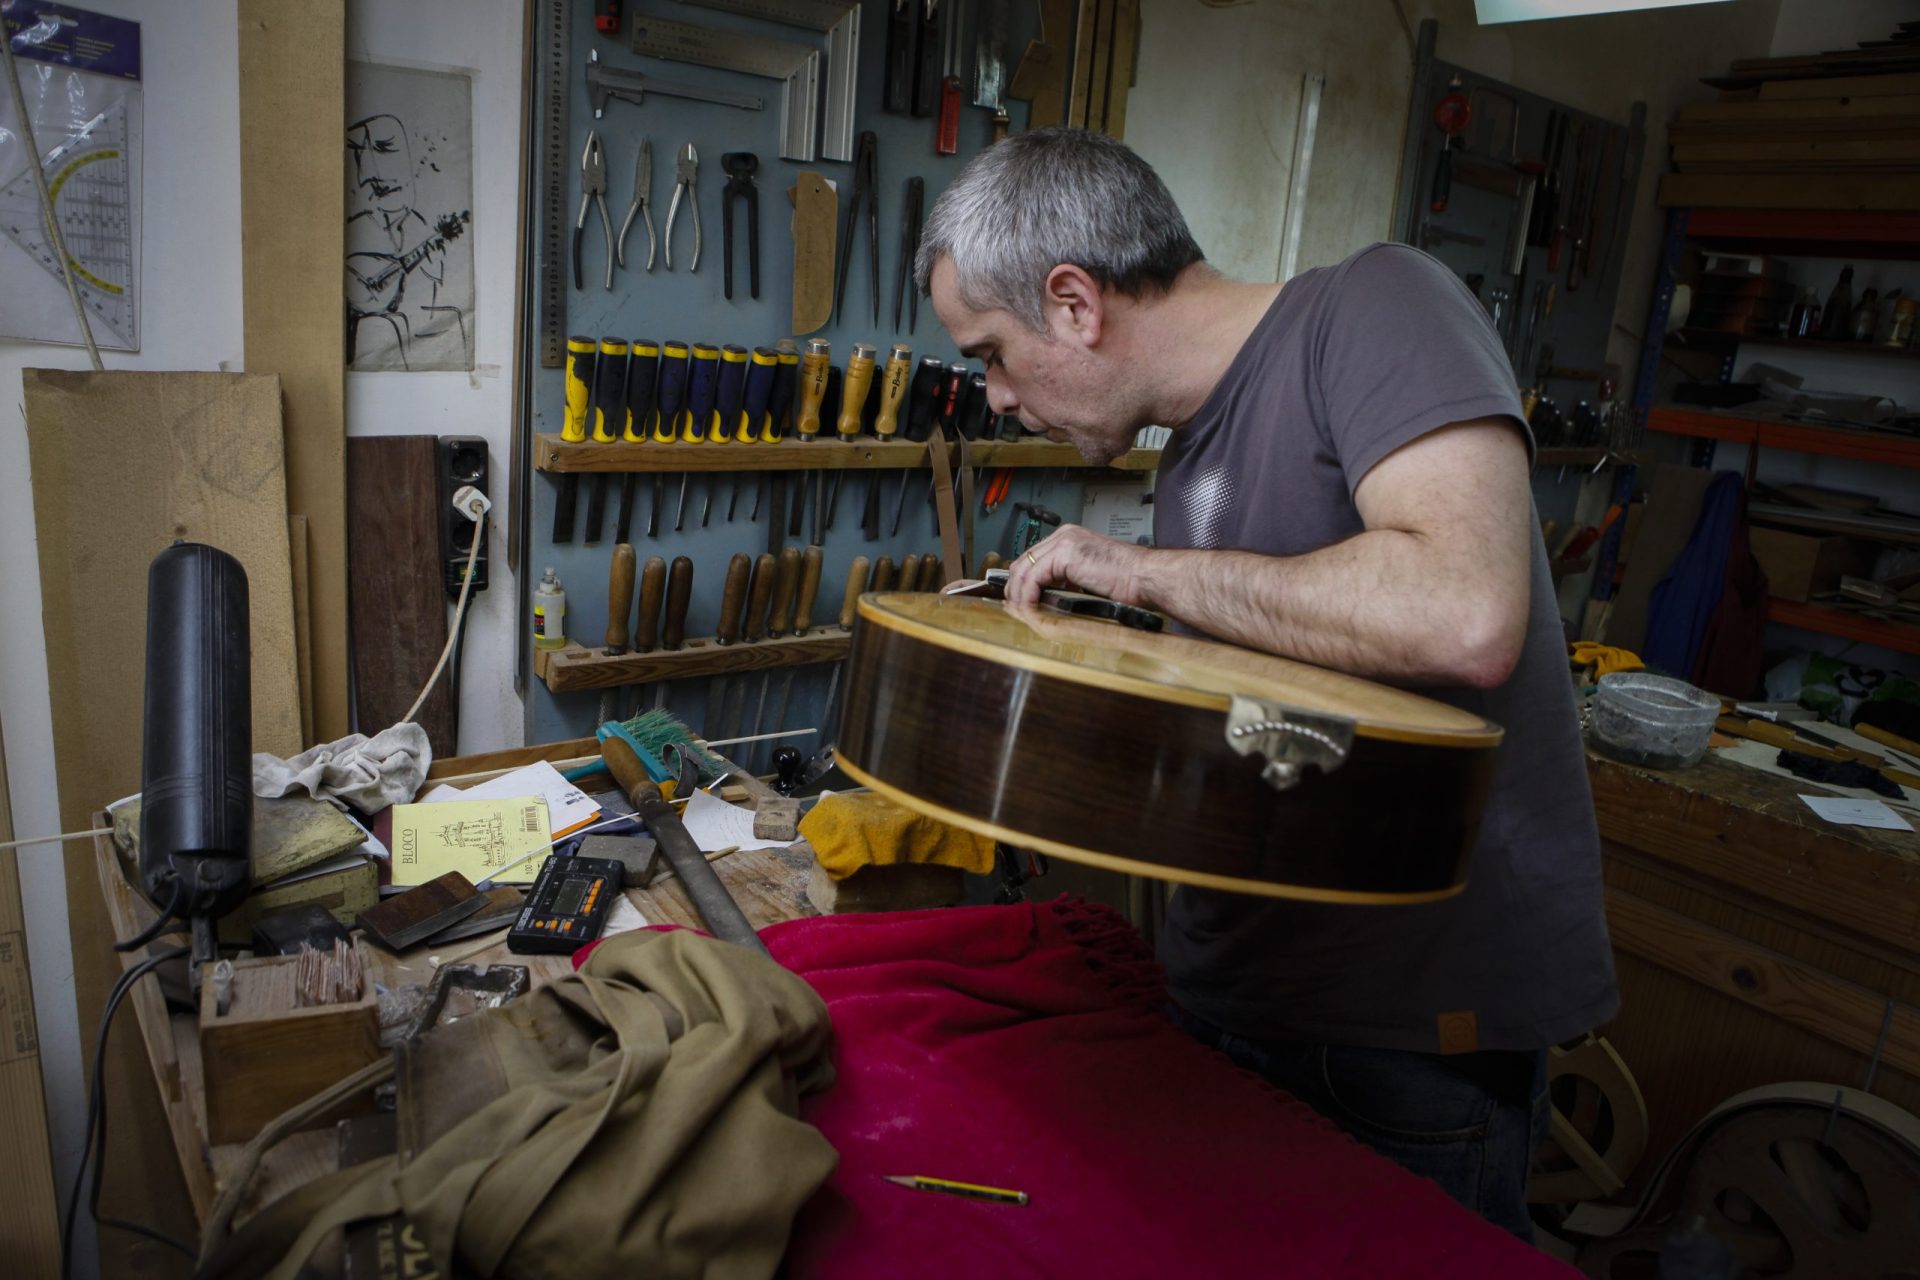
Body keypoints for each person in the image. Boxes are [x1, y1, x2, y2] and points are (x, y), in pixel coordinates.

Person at [915, 127, 1617, 1241]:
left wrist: (1143, 572)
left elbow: (1464, 611)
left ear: (1074, 303)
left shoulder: (1381, 305)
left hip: (1398, 1046)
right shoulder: (1194, 446)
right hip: (1234, 1000)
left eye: (992, 351)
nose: (993, 396)